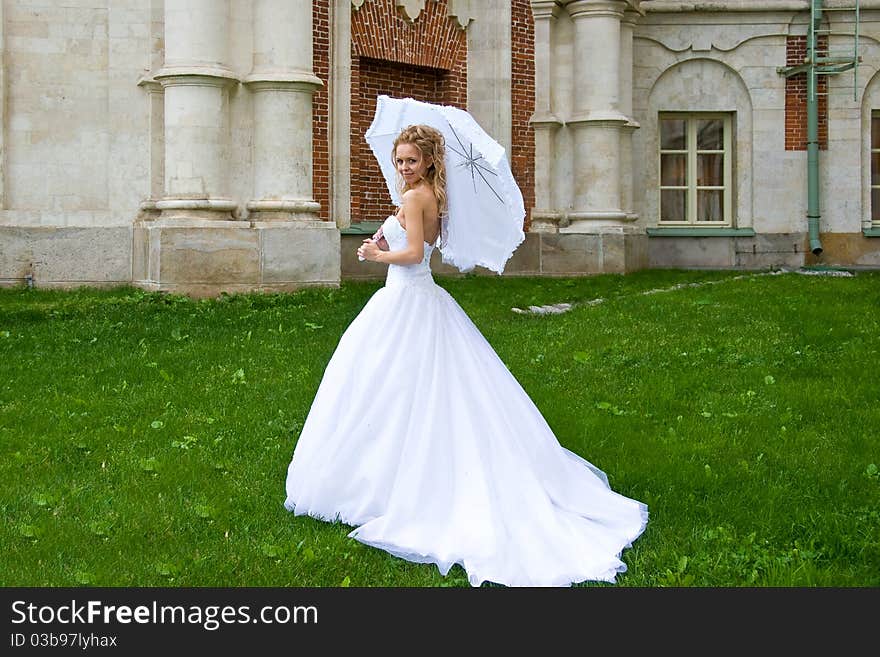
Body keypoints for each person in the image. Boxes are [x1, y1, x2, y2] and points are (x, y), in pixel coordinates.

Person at [284, 124, 648, 587]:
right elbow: (409, 240)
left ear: (429, 161)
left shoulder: (417, 198)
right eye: (399, 160)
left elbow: (415, 254)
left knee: (393, 388)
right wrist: (382, 238)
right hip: (413, 300)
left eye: (410, 160)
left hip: (407, 298)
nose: (402, 167)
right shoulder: (425, 197)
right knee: (400, 389)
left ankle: (381, 486)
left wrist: (378, 257)